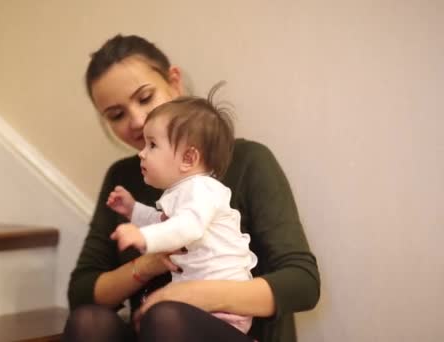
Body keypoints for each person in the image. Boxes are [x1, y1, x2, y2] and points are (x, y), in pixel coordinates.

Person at [64, 34, 320, 342]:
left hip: (233, 331)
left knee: (167, 319)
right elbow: (82, 293)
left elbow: (302, 282)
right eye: (116, 115)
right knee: (88, 323)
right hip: (152, 329)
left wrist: (197, 295)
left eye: (145, 98)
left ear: (174, 81)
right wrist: (145, 264)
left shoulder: (249, 162)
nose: (136, 119)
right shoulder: (124, 178)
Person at [108, 90, 258, 334]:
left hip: (224, 313)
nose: (142, 153)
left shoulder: (203, 189)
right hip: (199, 309)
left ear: (188, 158)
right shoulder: (182, 193)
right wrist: (133, 210)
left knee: (162, 317)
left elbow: (187, 228)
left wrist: (144, 238)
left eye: (152, 145)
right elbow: (162, 222)